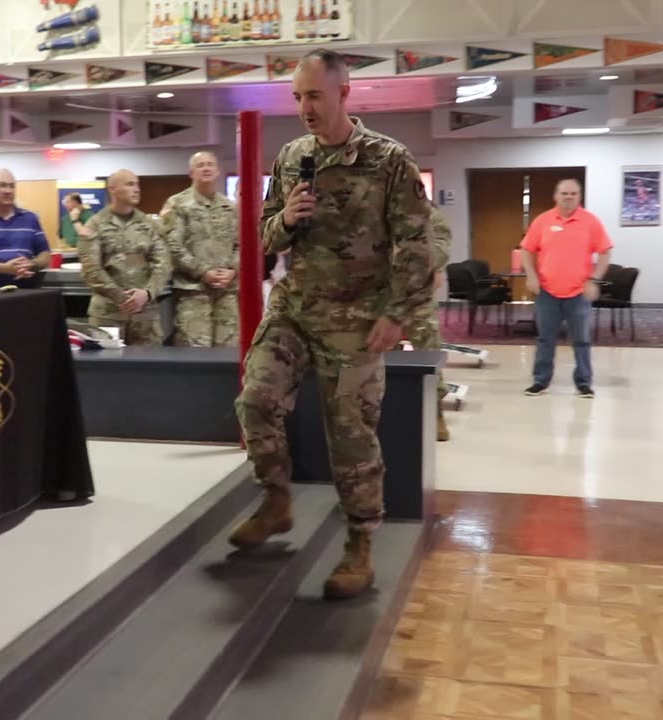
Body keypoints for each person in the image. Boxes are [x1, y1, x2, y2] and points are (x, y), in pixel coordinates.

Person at [230, 49, 434, 600]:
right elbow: (266, 235)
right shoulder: (293, 156)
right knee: (255, 401)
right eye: (297, 97)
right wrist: (286, 220)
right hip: (295, 307)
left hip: (357, 317)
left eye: (314, 95)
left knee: (350, 436)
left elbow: (418, 244)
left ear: (345, 93)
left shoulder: (389, 160)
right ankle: (275, 501)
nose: (304, 108)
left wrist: (398, 314)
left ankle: (360, 546)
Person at [521, 179, 613, 398]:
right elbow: (526, 249)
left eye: (573, 193)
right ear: (556, 195)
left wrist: (594, 279)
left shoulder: (590, 222)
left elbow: (605, 252)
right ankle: (540, 381)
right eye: (564, 193)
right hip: (547, 293)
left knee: (581, 340)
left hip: (578, 294)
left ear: (579, 196)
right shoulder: (543, 221)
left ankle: (583, 383)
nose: (568, 197)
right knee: (545, 339)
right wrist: (531, 275)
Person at [77, 170, 170, 346]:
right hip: (108, 315)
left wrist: (147, 293)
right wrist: (122, 298)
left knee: (149, 370)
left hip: (146, 315)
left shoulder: (149, 225)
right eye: (129, 184)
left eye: (137, 184)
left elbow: (163, 264)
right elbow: (91, 269)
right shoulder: (95, 224)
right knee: (108, 371)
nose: (136, 189)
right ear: (113, 189)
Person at [160, 150, 239, 347]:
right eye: (200, 165)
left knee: (229, 351)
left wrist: (232, 270)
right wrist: (203, 272)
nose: (206, 168)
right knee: (195, 351)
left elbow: (241, 245)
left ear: (218, 170)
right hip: (193, 292)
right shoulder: (177, 204)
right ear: (191, 173)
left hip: (226, 291)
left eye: (210, 164)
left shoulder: (229, 207)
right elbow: (172, 245)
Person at [404, 207, 452, 441]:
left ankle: (436, 414)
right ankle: (391, 414)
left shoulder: (425, 209)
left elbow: (441, 243)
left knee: (428, 354)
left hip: (418, 293)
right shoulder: (371, 205)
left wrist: (431, 264)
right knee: (380, 359)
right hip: (378, 295)